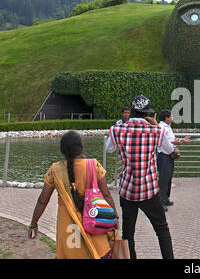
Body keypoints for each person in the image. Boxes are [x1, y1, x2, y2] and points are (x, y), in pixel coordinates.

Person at [28, 130, 118, 259]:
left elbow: (43, 200)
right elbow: (107, 195)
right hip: (94, 223)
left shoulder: (55, 169)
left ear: (63, 150)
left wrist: (33, 223)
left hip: (68, 231)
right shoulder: (93, 165)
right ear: (80, 147)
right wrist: (115, 218)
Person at [106, 95, 174, 259]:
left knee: (128, 233)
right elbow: (169, 150)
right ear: (148, 114)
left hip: (127, 190)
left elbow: (109, 149)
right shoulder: (157, 131)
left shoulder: (117, 129)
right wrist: (156, 125)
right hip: (149, 189)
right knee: (162, 229)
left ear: (132, 112)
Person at [157, 109, 191, 209]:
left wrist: (181, 140)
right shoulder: (161, 127)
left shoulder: (168, 127)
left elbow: (173, 139)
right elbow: (169, 141)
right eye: (171, 116)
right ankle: (160, 202)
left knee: (168, 177)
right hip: (163, 155)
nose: (172, 118)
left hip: (169, 155)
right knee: (163, 179)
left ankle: (165, 198)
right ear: (166, 118)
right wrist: (180, 142)